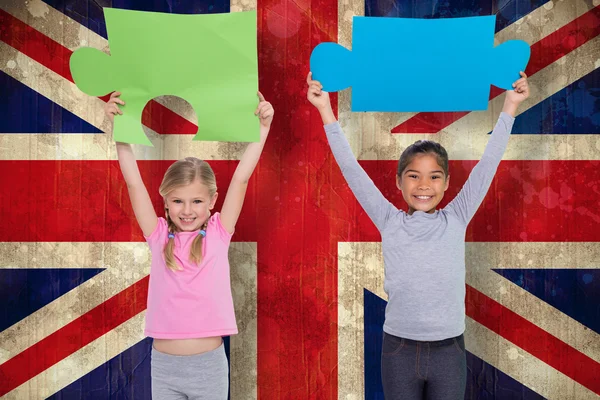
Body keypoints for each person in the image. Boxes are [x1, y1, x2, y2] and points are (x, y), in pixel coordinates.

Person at [306, 71, 530, 399]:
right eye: (413, 176)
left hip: (449, 350)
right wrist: (325, 110)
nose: (424, 185)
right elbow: (352, 170)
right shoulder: (389, 220)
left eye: (434, 177)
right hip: (399, 351)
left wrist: (510, 106)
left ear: (447, 183)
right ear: (398, 182)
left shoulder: (457, 217)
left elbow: (487, 165)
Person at [104, 91, 274, 399]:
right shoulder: (157, 236)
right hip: (164, 366)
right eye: (178, 201)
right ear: (166, 203)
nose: (187, 210)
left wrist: (262, 130)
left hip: (208, 367)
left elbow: (240, 179)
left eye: (196, 201)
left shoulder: (219, 233)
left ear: (211, 202)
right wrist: (120, 134)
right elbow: (133, 182)